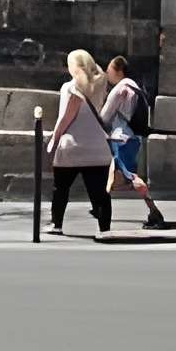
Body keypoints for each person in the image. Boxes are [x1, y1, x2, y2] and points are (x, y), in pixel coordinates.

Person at [45, 49, 113, 236]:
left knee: (61, 188)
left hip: (72, 147)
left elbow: (66, 118)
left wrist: (54, 140)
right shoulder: (100, 85)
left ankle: (56, 225)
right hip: (98, 147)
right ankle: (105, 229)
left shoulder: (70, 88)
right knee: (100, 193)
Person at [98, 55, 171, 230]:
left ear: (118, 70)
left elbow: (104, 117)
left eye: (109, 70)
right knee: (112, 173)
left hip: (120, 138)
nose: (107, 74)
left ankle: (155, 212)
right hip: (133, 139)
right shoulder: (137, 88)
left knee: (131, 177)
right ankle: (99, 206)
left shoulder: (120, 89)